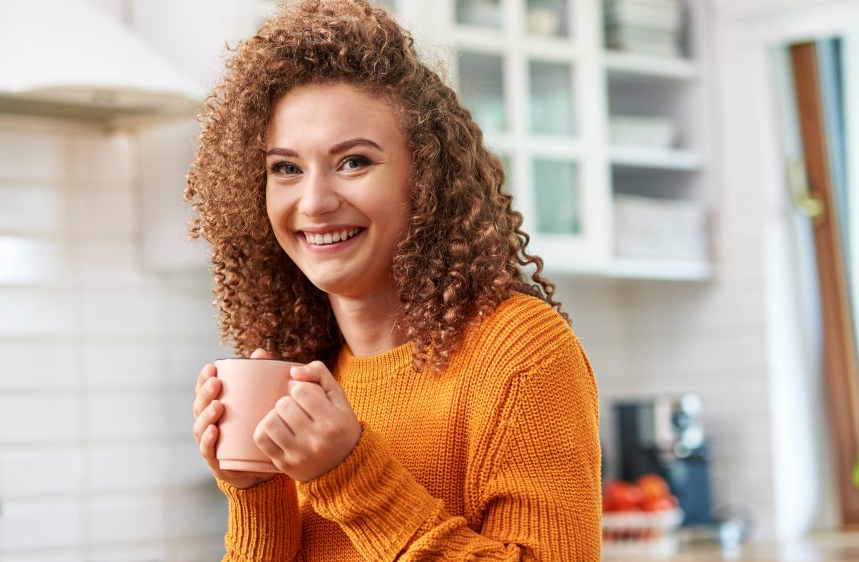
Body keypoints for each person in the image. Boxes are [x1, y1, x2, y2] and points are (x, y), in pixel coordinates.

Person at [188, 0, 601, 559]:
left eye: (354, 161)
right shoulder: (304, 369)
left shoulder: (521, 354)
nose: (314, 201)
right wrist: (256, 490)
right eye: (285, 168)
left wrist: (350, 475)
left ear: (425, 177)